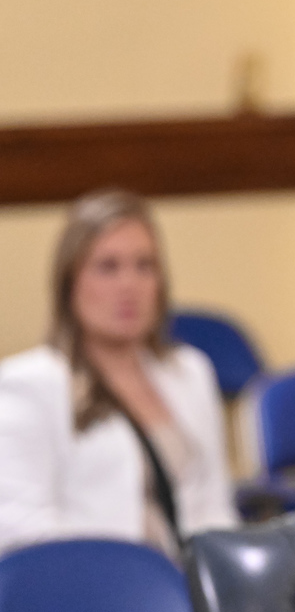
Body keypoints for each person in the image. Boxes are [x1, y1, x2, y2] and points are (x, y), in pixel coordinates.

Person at [0, 188, 237, 554]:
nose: (129, 286)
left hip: (192, 587)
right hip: (94, 593)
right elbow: (24, 532)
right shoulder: (27, 387)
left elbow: (215, 507)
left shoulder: (189, 371)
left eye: (145, 266)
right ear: (69, 283)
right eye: (108, 267)